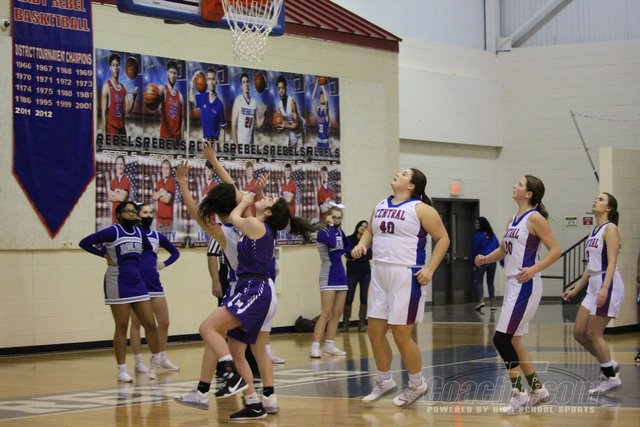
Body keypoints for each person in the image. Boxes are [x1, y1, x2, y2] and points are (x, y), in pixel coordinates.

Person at [351, 168, 450, 407]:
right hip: (380, 272)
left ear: (412, 185)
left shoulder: (422, 209)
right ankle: (384, 380)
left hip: (406, 274)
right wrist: (362, 245)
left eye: (404, 173)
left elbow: (443, 239)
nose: (398, 174)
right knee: (374, 332)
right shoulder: (380, 205)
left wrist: (430, 269)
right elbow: (370, 231)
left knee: (400, 334)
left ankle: (417, 383)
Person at [475, 175, 561, 414]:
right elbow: (503, 250)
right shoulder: (513, 219)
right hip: (514, 284)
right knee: (513, 340)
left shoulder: (535, 218)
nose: (515, 185)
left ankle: (518, 394)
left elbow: (555, 250)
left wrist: (533, 269)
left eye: (520, 184)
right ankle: (538, 391)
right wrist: (485, 259)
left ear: (529, 193)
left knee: (501, 339)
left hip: (526, 284)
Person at [79, 201, 162, 383]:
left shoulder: (139, 233)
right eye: (127, 211)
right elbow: (84, 243)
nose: (131, 214)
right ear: (118, 215)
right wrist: (103, 254)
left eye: (133, 211)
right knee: (122, 326)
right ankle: (122, 370)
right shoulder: (112, 232)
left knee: (150, 323)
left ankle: (156, 358)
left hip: (137, 281)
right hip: (117, 281)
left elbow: (148, 249)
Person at [563, 193, 624, 395]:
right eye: (596, 198)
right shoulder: (594, 231)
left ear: (609, 208)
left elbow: (612, 262)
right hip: (593, 283)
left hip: (608, 282)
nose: (596, 200)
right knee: (579, 333)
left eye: (601, 199)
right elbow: (590, 268)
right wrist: (575, 290)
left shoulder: (610, 229)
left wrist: (604, 288)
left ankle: (611, 377)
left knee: (593, 333)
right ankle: (609, 364)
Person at [129, 203, 181, 374]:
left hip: (154, 284)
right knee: (137, 323)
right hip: (137, 284)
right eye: (145, 212)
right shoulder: (133, 234)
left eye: (151, 212)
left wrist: (164, 264)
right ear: (138, 215)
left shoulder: (157, 236)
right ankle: (138, 361)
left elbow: (175, 253)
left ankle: (162, 357)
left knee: (164, 322)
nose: (148, 215)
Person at [310, 207, 350, 358]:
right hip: (328, 274)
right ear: (328, 217)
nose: (337, 220)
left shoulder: (340, 232)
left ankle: (330, 345)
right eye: (334, 217)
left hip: (341, 274)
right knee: (326, 313)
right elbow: (332, 243)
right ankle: (315, 346)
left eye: (339, 218)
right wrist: (331, 225)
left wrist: (342, 252)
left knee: (337, 313)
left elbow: (348, 245)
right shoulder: (323, 232)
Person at [343, 220, 372, 332]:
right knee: (349, 296)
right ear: (357, 226)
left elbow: (369, 255)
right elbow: (348, 254)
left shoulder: (368, 241)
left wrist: (355, 255)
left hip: (365, 272)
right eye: (361, 225)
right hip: (352, 272)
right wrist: (357, 255)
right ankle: (345, 324)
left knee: (364, 297)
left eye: (365, 227)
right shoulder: (349, 239)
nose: (362, 228)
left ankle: (361, 324)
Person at [101, 53, 138, 139]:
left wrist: (134, 97)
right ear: (110, 67)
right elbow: (103, 113)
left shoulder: (123, 88)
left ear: (120, 67)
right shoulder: (106, 86)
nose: (115, 68)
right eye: (113, 65)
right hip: (112, 130)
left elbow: (128, 110)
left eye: (117, 65)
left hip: (122, 130)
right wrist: (104, 135)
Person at [471, 217, 500, 311]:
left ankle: (481, 301)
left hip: (481, 261)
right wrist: (501, 260)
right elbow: (499, 247)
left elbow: (474, 249)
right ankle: (492, 304)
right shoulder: (492, 234)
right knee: (490, 282)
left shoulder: (478, 235)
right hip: (492, 262)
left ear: (481, 224)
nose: (475, 225)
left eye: (477, 223)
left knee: (479, 281)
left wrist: (473, 263)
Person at [190, 68, 226, 143]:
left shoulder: (219, 105)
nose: (211, 82)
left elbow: (223, 129)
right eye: (209, 79)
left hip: (215, 142)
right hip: (204, 141)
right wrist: (192, 83)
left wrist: (222, 147)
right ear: (206, 81)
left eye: (213, 79)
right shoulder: (202, 97)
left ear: (216, 82)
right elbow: (191, 99)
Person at [231, 72, 265, 145]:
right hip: (240, 143)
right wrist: (236, 146)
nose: (246, 84)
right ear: (241, 86)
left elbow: (259, 125)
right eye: (243, 82)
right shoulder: (238, 100)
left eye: (247, 82)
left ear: (249, 84)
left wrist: (265, 115)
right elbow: (233, 125)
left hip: (251, 144)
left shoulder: (254, 102)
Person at [274, 75, 303, 148]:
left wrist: (285, 127)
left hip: (301, 127)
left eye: (283, 88)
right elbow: (284, 123)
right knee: (290, 150)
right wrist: (280, 128)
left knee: (306, 150)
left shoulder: (291, 102)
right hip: (293, 130)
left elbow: (296, 125)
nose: (281, 91)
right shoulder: (279, 105)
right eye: (279, 89)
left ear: (286, 88)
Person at [160, 60, 184, 142]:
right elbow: (155, 105)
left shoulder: (180, 95)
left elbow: (182, 120)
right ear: (167, 73)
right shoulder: (163, 91)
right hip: (165, 139)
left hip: (177, 139)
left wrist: (182, 139)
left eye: (175, 73)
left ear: (177, 75)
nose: (173, 75)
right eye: (171, 72)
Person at [153, 159, 176, 229]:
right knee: (158, 235)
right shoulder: (159, 182)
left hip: (168, 219)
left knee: (167, 236)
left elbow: (167, 200)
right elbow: (154, 197)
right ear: (161, 170)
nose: (165, 170)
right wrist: (162, 193)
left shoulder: (171, 182)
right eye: (163, 168)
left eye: (167, 168)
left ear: (170, 170)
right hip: (159, 217)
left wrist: (158, 194)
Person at [107, 155, 131, 224]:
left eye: (121, 164)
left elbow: (122, 198)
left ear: (124, 166)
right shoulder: (113, 181)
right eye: (118, 164)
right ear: (115, 166)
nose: (119, 166)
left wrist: (114, 193)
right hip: (114, 215)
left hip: (123, 216)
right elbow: (109, 198)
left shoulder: (126, 181)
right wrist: (118, 192)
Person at [311, 77, 330, 149]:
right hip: (319, 140)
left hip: (325, 141)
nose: (322, 98)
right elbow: (312, 98)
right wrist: (316, 84)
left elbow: (327, 101)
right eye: (320, 96)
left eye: (323, 96)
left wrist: (322, 87)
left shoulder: (326, 111)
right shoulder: (318, 109)